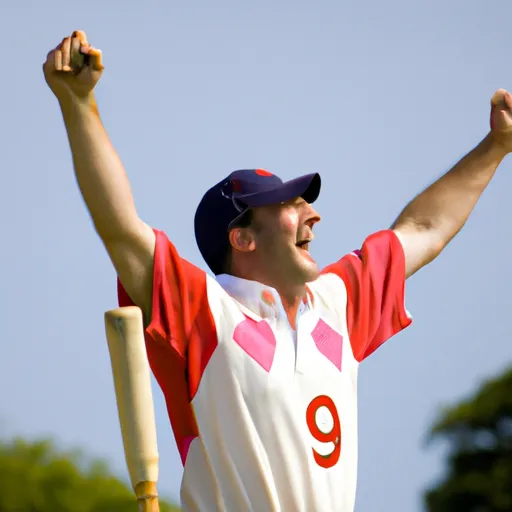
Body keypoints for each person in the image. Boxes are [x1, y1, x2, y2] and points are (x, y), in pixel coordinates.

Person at [43, 30, 512, 512]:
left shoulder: (337, 303)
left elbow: (425, 227)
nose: (313, 214)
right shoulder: (204, 312)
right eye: (289, 205)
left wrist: (497, 145)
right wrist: (80, 105)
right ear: (242, 238)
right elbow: (120, 229)